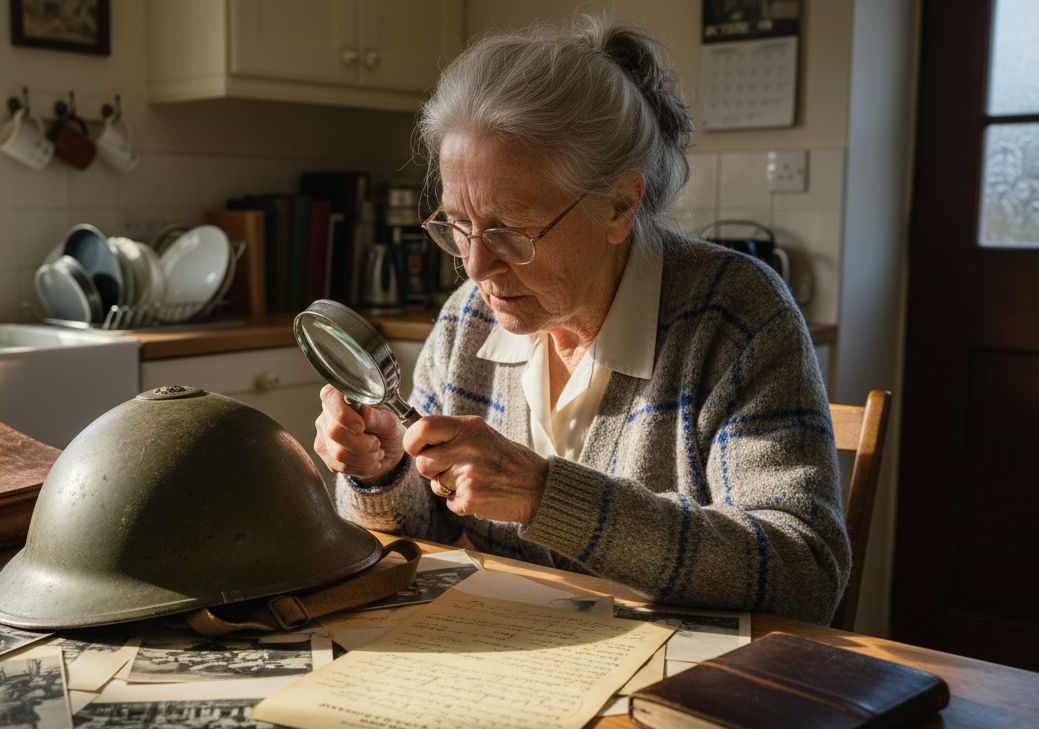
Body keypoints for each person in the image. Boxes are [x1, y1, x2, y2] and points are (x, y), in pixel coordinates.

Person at [313, 15, 849, 624]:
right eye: (458, 225)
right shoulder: (470, 320)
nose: (475, 265)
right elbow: (428, 527)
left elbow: (805, 573)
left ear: (619, 206)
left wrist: (546, 495)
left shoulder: (734, 318)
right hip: (516, 658)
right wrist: (383, 476)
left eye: (510, 230)